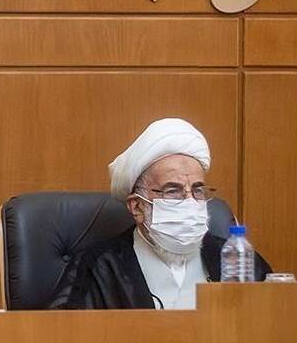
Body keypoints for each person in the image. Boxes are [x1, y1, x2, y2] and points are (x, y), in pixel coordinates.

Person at [49, 118, 271, 310]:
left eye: (197, 190)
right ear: (137, 207)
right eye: (172, 191)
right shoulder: (98, 267)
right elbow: (61, 331)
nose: (190, 202)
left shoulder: (237, 259)